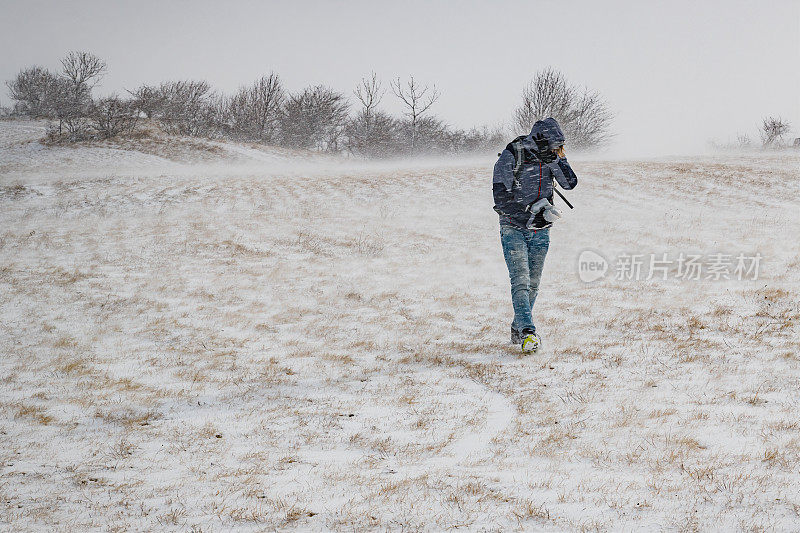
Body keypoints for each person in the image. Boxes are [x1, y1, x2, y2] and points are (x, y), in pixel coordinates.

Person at [492, 117, 578, 353]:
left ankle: (517, 327)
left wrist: (560, 160)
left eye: (558, 147)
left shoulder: (551, 156)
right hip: (513, 228)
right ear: (539, 141)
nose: (554, 150)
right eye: (552, 146)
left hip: (541, 231)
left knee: (533, 284)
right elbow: (500, 197)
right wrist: (531, 212)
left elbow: (570, 183)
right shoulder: (514, 153)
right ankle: (529, 332)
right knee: (520, 281)